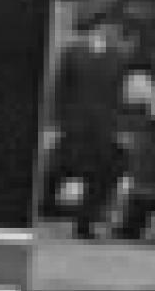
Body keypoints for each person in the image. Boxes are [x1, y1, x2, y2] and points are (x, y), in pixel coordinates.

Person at [43, 14, 136, 239]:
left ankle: (85, 222)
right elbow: (61, 88)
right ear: (98, 27)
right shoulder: (73, 52)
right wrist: (57, 121)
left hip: (104, 126)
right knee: (60, 166)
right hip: (75, 124)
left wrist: (121, 127)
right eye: (109, 27)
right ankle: (46, 205)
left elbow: (121, 95)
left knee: (102, 173)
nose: (112, 32)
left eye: (115, 29)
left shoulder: (120, 57)